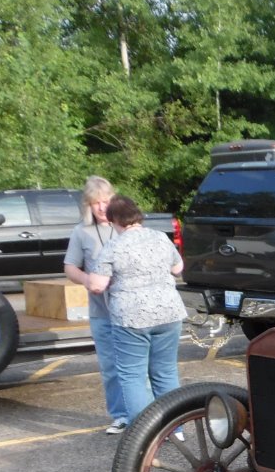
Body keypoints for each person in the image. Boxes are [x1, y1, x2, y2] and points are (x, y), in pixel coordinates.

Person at [86, 195, 187, 428]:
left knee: (133, 376)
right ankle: (176, 429)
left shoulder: (114, 246)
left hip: (131, 318)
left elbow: (97, 285)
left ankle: (146, 433)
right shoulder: (160, 237)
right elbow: (178, 268)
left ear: (114, 220)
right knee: (165, 372)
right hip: (169, 313)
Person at [63, 176, 128, 433]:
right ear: (88, 205)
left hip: (130, 310)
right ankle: (120, 415)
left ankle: (146, 415)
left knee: (136, 366)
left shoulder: (125, 226)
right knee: (110, 366)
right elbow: (70, 267)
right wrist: (87, 279)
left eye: (106, 201)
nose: (102, 208)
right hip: (101, 310)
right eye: (96, 203)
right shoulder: (81, 231)